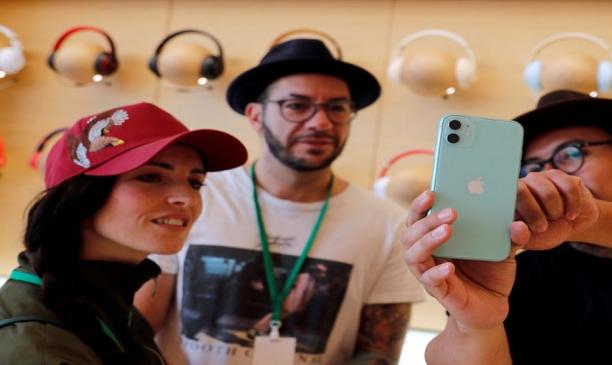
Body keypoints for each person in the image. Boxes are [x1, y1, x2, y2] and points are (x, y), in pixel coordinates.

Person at [137, 38, 425, 365]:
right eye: (297, 106)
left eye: (337, 107)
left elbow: (377, 355)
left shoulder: (387, 224)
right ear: (255, 116)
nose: (321, 122)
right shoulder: (192, 197)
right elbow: (137, 333)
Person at [402, 90, 612, 364]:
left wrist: (587, 216)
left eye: (572, 154)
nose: (549, 177)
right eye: (533, 168)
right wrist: (475, 327)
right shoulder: (510, 276)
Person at [0, 102, 247, 364]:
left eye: (195, 183)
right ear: (80, 196)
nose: (186, 198)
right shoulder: (39, 344)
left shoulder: (109, 304)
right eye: (151, 177)